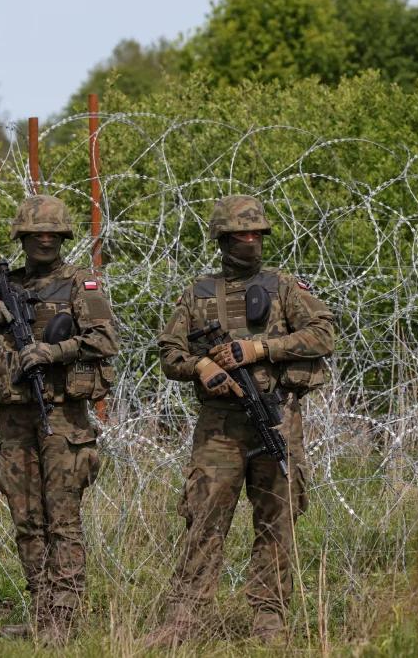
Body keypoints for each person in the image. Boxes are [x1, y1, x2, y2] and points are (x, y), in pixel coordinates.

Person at [146, 195, 334, 646]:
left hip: (276, 420)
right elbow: (169, 352)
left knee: (276, 520)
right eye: (241, 235)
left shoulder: (285, 287)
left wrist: (261, 349)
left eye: (256, 235)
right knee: (204, 517)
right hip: (220, 426)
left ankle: (269, 620)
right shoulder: (199, 292)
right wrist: (202, 368)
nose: (250, 242)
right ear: (223, 240)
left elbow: (323, 334)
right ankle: (184, 620)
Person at [0, 194, 119, 645]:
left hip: (63, 417)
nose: (43, 241)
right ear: (22, 237)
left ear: (62, 237)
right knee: (26, 519)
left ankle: (62, 618)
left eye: (51, 234)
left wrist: (53, 351)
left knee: (62, 520)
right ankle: (42, 612)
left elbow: (104, 339)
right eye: (35, 234)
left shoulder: (79, 285)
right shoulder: (4, 287)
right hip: (15, 418)